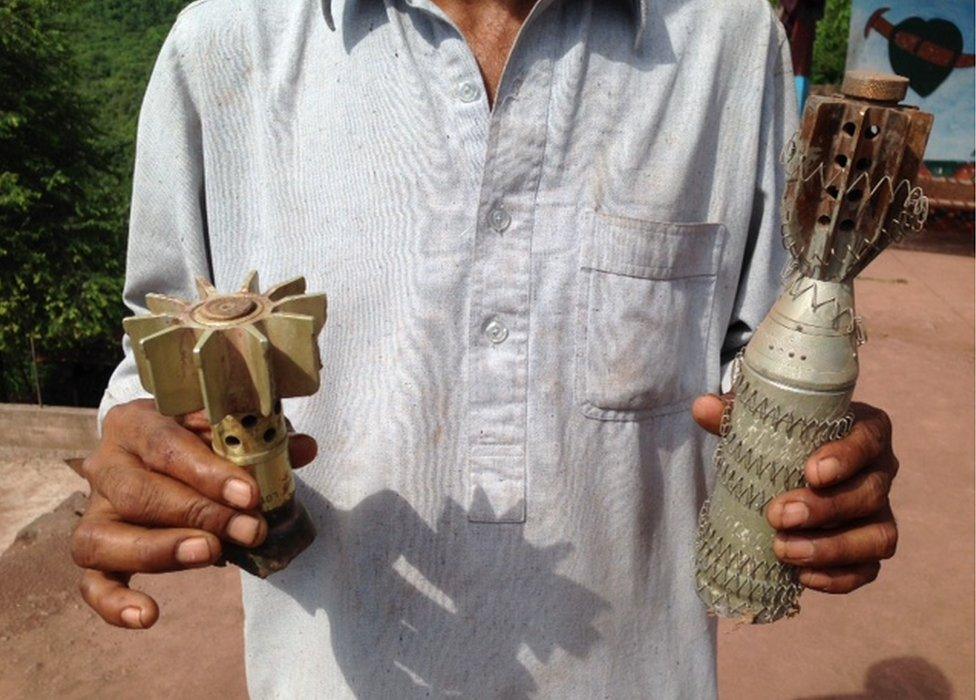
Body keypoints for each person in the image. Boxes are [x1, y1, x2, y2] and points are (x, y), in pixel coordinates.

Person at [72, 0, 901, 697]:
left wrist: (815, 458)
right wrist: (144, 441)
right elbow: (156, 344)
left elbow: (751, 353)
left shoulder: (726, 39)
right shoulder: (226, 43)